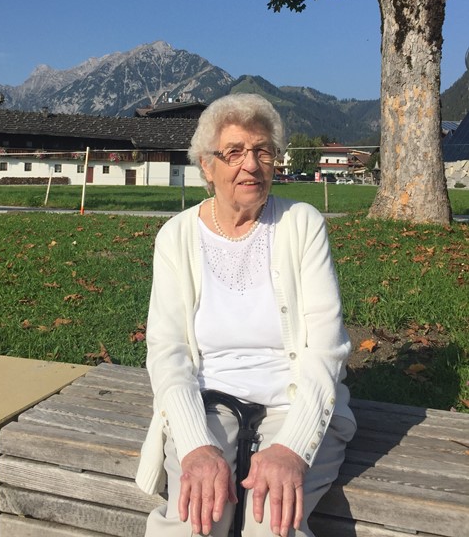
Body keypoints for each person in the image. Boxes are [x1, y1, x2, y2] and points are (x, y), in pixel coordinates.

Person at [136, 93, 356, 537]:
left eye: (262, 151)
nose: (251, 165)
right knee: (197, 520)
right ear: (207, 165)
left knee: (273, 521)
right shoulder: (176, 237)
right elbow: (167, 353)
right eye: (234, 152)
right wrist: (196, 446)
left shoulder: (302, 224)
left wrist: (292, 448)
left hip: (295, 403)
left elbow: (326, 349)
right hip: (207, 405)